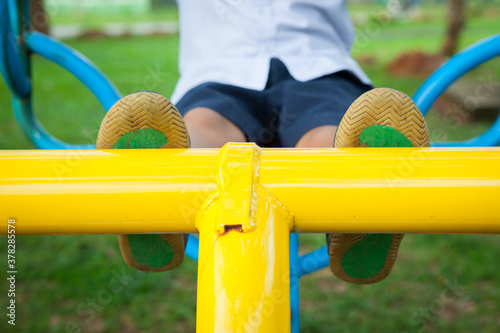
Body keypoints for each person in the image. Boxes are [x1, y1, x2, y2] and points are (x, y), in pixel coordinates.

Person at [96, 0, 430, 283]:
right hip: (226, 68)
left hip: (316, 66)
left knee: (327, 134)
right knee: (204, 127)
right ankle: (158, 192)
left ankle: (359, 208)